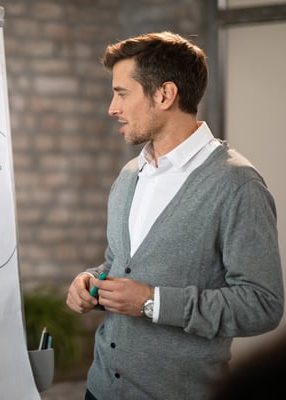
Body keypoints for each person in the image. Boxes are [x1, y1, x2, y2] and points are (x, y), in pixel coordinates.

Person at [65, 31, 284, 400]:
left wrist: (153, 302)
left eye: (121, 93)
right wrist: (91, 280)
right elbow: (121, 263)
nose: (111, 108)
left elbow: (263, 304)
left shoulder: (237, 185)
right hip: (100, 390)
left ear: (164, 95)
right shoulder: (130, 175)